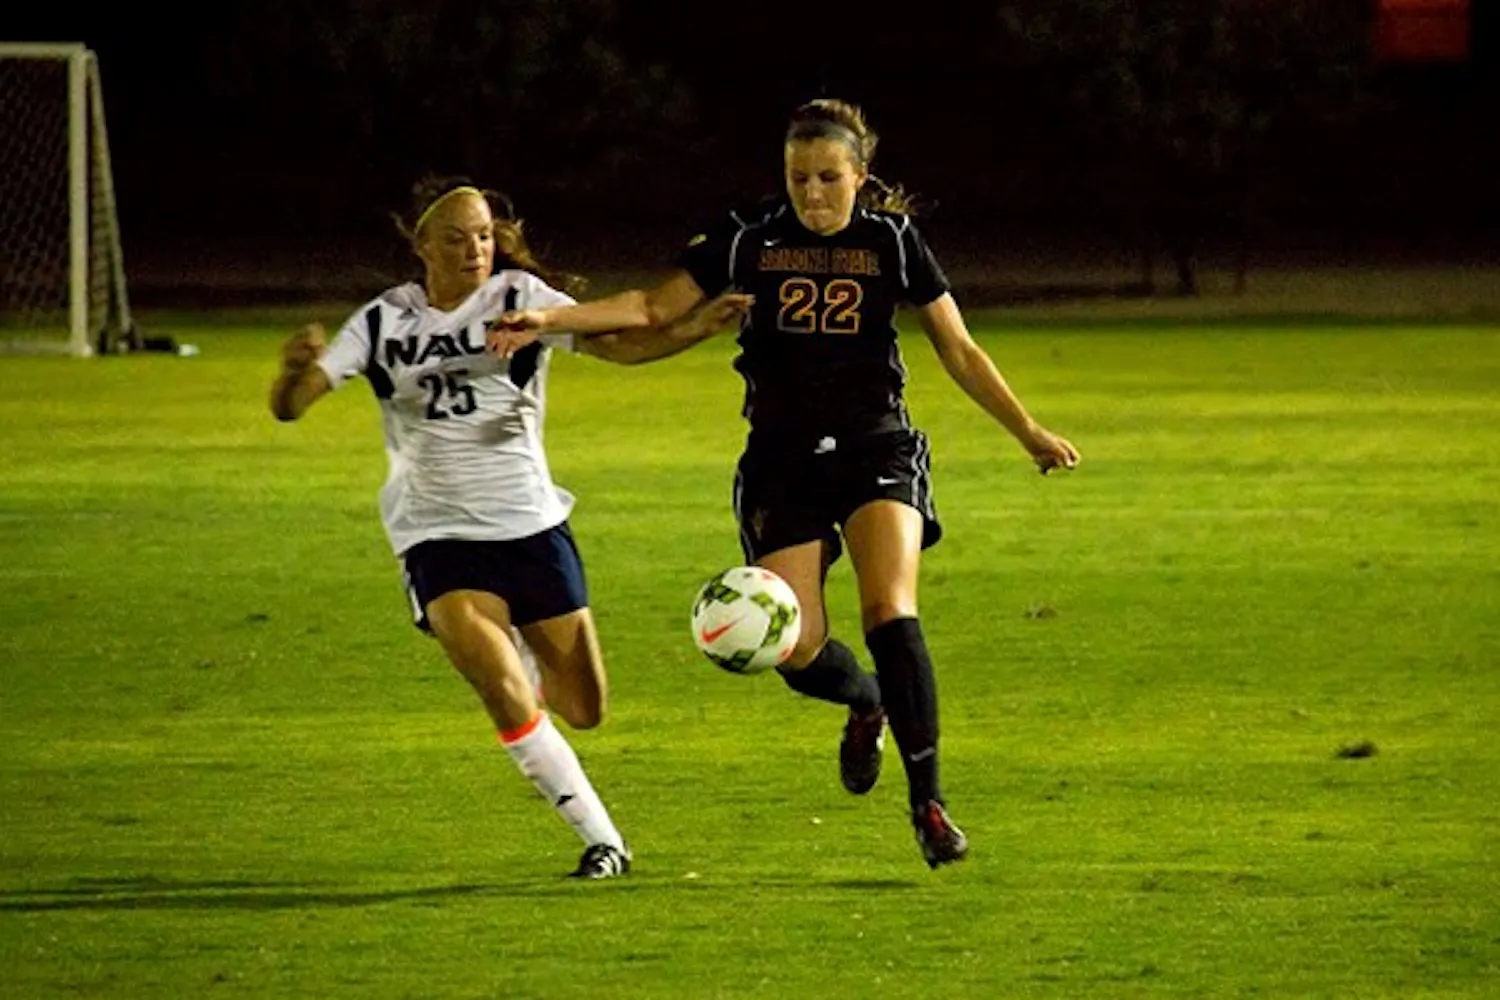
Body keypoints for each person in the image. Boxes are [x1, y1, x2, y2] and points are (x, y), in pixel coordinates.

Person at [489, 99, 1081, 870]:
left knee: (890, 609)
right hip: (781, 459)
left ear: (859, 176)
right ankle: (866, 700)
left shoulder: (892, 240)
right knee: (793, 648)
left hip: (875, 446)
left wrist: (1028, 431)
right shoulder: (747, 235)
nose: (812, 192)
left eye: (828, 177)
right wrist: (545, 319)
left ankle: (929, 804)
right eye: (799, 177)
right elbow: (649, 306)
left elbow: (959, 348)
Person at [269, 175, 750, 879]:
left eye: (484, 236)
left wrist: (695, 329)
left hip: (529, 526)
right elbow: (295, 404)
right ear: (422, 245)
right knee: (502, 688)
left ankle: (522, 662)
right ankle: (604, 841)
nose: (475, 250)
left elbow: (617, 345)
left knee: (584, 707)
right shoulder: (382, 322)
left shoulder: (521, 298)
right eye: (457, 238)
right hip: (436, 536)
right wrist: (292, 375)